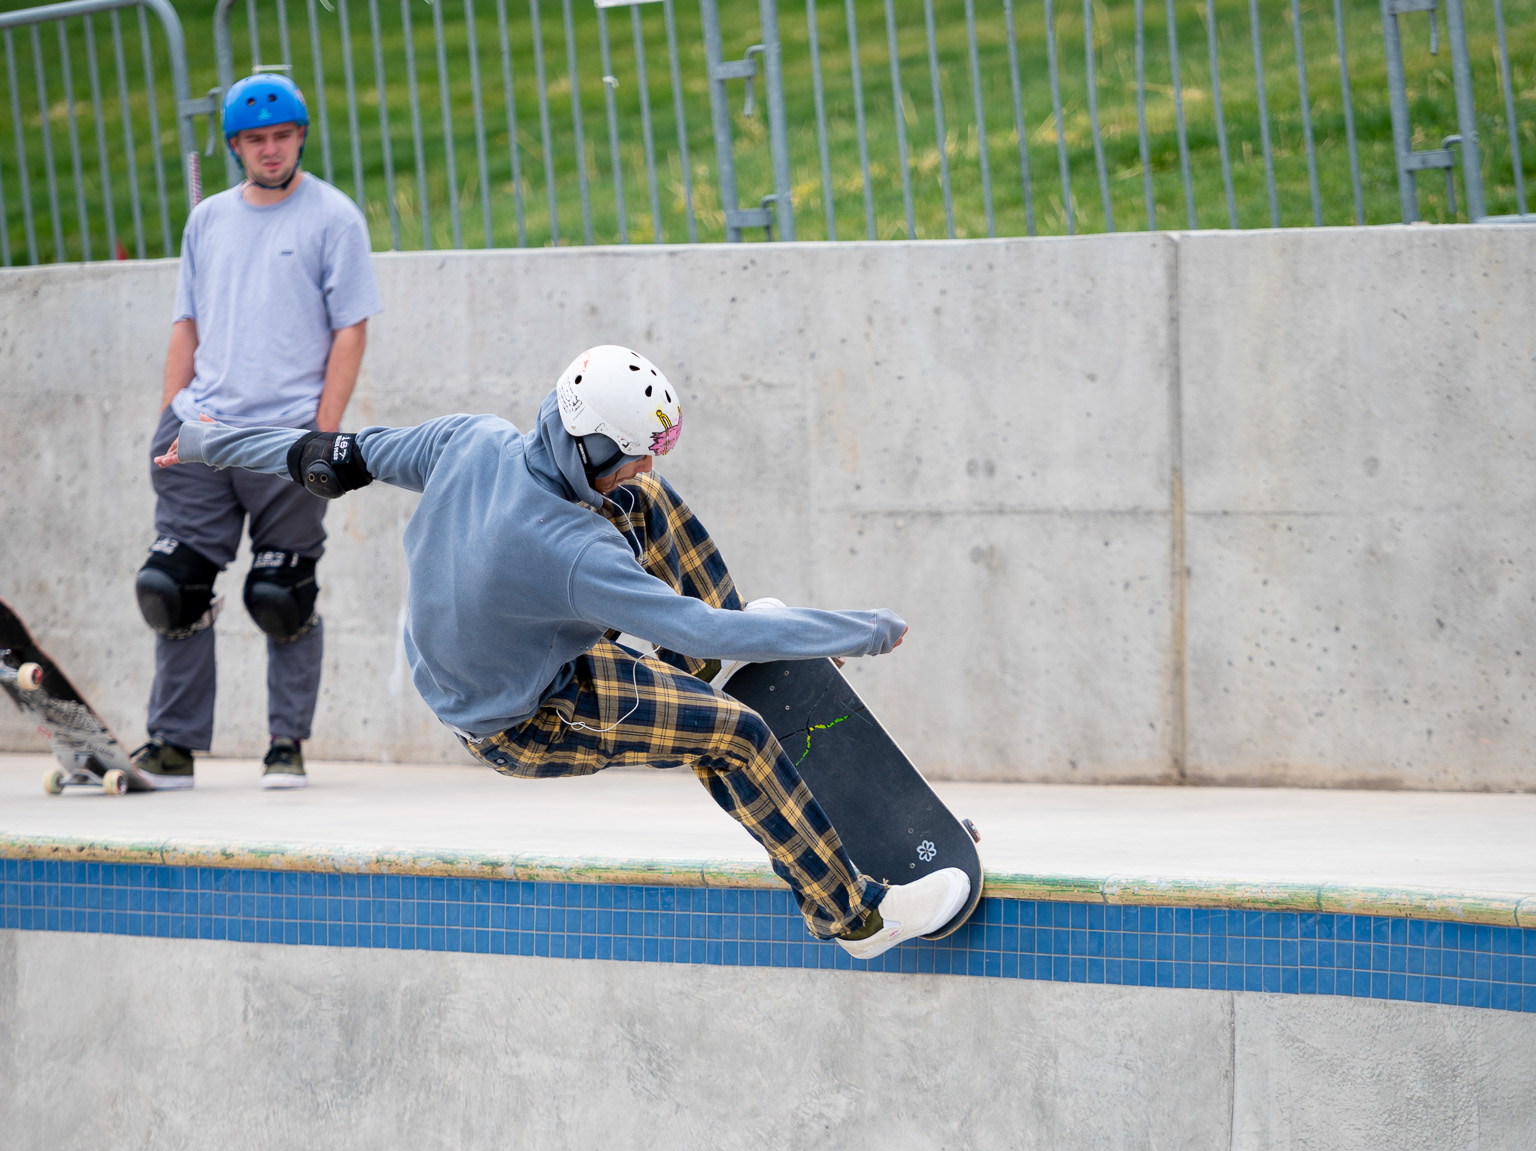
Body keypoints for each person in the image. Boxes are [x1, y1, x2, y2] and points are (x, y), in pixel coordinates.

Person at [153, 343, 970, 959]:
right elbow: (708, 632)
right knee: (736, 737)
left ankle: (698, 680)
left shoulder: (468, 441)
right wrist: (858, 630)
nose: (644, 462)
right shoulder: (576, 554)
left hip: (489, 645)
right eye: (636, 450)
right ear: (589, 447)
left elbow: (326, 456)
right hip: (522, 717)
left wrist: (200, 441)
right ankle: (856, 915)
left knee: (647, 505)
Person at [132, 71, 381, 791]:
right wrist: (167, 413)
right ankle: (173, 744)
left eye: (282, 136)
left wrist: (322, 436)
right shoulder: (207, 219)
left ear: (300, 136)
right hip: (201, 428)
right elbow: (187, 322)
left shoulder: (334, 218)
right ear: (235, 145)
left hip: (286, 439)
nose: (270, 151)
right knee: (173, 585)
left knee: (283, 593)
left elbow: (351, 330)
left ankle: (285, 745)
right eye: (255, 140)